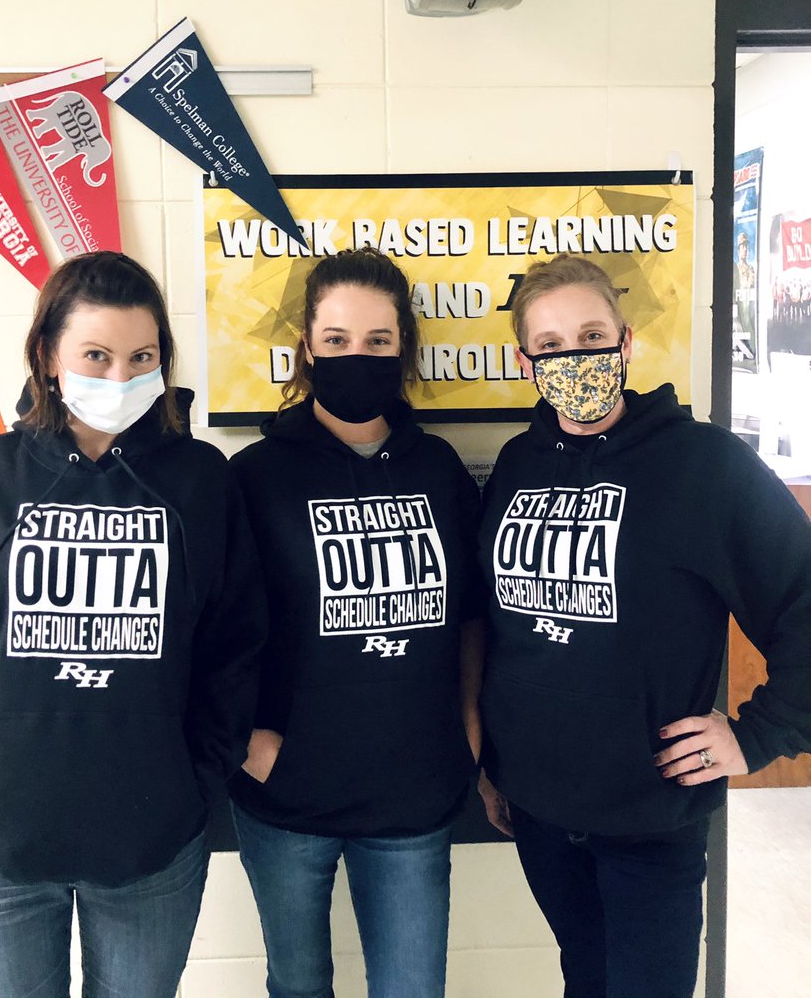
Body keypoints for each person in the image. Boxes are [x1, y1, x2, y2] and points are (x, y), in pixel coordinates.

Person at [0, 251, 267, 998]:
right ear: (47, 355)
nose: (119, 379)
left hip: (152, 850)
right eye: (96, 356)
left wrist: (194, 778)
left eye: (142, 358)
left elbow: (235, 649)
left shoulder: (199, 482)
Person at [477, 253, 811, 998]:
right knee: (583, 980)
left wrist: (760, 734)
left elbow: (803, 600)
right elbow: (502, 629)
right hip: (536, 809)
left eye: (592, 336)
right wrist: (496, 763)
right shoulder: (518, 463)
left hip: (651, 818)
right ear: (525, 359)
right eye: (553, 345)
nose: (576, 359)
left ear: (626, 343)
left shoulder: (705, 466)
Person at [228, 247, 484, 998]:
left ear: (404, 347)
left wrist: (467, 724)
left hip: (413, 797)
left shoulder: (438, 469)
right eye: (337, 340)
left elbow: (471, 612)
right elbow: (213, 627)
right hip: (285, 800)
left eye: (378, 341)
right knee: (297, 987)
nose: (356, 357)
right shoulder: (253, 476)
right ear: (307, 348)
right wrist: (245, 739)